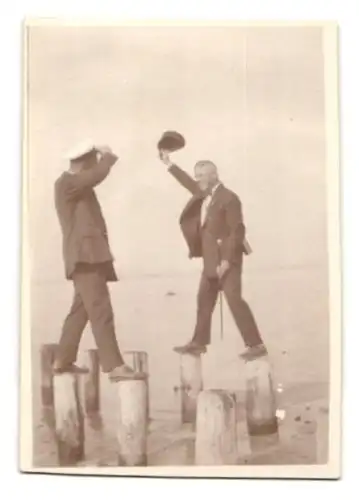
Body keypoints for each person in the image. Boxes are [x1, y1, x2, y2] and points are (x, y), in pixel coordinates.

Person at [159, 149, 268, 361]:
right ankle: (198, 343)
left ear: (213, 175)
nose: (197, 180)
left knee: (234, 300)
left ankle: (256, 344)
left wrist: (226, 261)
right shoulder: (204, 193)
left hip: (228, 259)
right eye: (196, 175)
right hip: (210, 260)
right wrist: (168, 164)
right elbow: (187, 182)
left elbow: (236, 231)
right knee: (204, 301)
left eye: (201, 175)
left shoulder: (229, 198)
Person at [53, 140, 146, 382]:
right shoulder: (68, 183)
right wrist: (108, 157)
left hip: (88, 257)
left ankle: (62, 360)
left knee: (81, 310)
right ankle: (114, 366)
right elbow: (96, 175)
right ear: (86, 161)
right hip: (86, 258)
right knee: (101, 310)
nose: (96, 166)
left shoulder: (75, 185)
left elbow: (92, 178)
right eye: (93, 161)